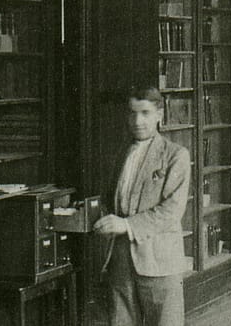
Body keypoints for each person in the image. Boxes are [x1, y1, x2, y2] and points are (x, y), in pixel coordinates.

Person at [94, 87, 192, 326]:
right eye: (132, 113)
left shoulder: (175, 155)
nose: (138, 121)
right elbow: (111, 199)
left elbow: (171, 211)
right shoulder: (122, 153)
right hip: (121, 259)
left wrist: (126, 224)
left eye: (145, 113)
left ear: (160, 114)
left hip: (159, 260)